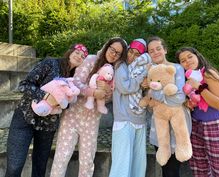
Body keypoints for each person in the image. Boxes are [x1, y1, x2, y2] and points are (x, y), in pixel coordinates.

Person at [5, 43, 89, 177]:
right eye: (77, 52)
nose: (80, 56)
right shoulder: (50, 63)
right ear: (70, 51)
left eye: (83, 56)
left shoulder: (73, 79)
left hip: (48, 127)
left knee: (39, 169)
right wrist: (46, 96)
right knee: (15, 166)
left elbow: (66, 104)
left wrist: (61, 103)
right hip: (25, 118)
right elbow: (24, 86)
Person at [50, 37, 127, 177]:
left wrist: (107, 93)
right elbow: (75, 83)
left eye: (118, 53)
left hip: (91, 120)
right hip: (72, 117)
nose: (114, 54)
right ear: (106, 47)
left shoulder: (115, 71)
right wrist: (93, 92)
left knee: (87, 161)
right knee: (61, 157)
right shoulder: (91, 60)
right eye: (112, 49)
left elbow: (108, 98)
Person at [175, 47, 219, 177]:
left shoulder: (208, 73)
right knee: (199, 169)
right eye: (183, 60)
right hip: (195, 126)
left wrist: (199, 87)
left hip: (214, 126)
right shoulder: (187, 79)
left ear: (197, 56)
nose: (187, 61)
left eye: (190, 56)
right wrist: (188, 104)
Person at [144, 36, 192, 177]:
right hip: (159, 128)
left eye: (158, 48)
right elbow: (149, 104)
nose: (156, 52)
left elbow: (179, 98)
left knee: (173, 171)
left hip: (178, 127)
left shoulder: (176, 68)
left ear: (165, 50)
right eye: (151, 51)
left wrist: (154, 92)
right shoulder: (150, 72)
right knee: (165, 169)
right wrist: (153, 95)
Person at [109, 38, 150, 177]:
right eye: (130, 52)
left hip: (140, 119)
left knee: (138, 165)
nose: (132, 56)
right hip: (124, 119)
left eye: (137, 54)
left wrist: (147, 83)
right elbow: (125, 87)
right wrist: (141, 79)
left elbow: (146, 93)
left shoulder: (144, 68)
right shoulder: (121, 66)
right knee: (121, 165)